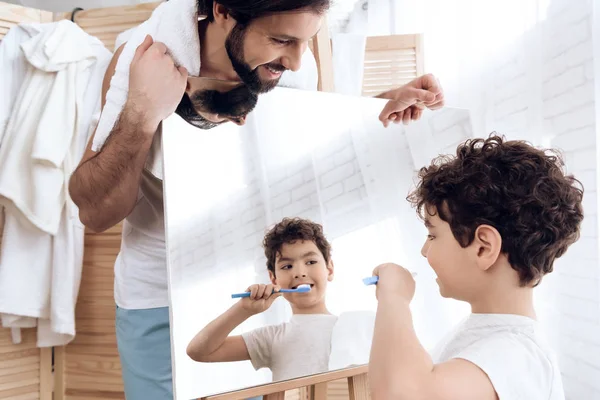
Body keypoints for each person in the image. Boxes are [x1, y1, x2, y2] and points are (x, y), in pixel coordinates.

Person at [68, 0, 445, 398]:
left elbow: (302, 151)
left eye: (306, 41)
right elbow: (94, 211)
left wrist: (378, 107)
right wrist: (142, 111)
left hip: (262, 291)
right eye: (282, 39)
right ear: (222, 10)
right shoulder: (143, 64)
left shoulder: (293, 67)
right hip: (158, 298)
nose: (299, 62)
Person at [368, 135, 583, 400]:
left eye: (433, 235)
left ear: (484, 247)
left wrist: (394, 297)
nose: (424, 251)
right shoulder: (484, 335)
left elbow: (403, 394)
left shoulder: (518, 354)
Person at [187, 217, 337, 382]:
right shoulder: (272, 338)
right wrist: (243, 310)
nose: (299, 273)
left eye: (310, 261)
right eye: (287, 266)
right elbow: (198, 351)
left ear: (329, 269)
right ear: (273, 279)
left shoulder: (353, 326)